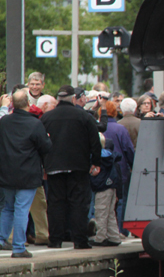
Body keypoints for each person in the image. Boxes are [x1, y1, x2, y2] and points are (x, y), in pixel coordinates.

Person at [42, 85, 102, 249]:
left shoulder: (47, 118)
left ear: (58, 99)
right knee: (78, 203)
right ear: (73, 99)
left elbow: (40, 143)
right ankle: (80, 240)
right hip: (78, 166)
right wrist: (96, 162)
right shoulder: (84, 116)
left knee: (55, 203)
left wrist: (43, 166)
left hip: (54, 167)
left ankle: (55, 240)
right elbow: (95, 143)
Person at [0, 89, 52, 257]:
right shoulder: (35, 124)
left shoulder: (4, 122)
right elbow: (46, 147)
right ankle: (18, 247)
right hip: (27, 173)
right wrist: (48, 137)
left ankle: (1, 240)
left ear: (12, 104)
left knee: (7, 208)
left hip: (6, 172)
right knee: (22, 209)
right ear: (29, 104)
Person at [103, 101, 135, 236]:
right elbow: (128, 149)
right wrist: (133, 165)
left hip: (101, 169)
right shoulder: (120, 129)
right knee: (121, 200)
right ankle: (121, 230)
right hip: (120, 169)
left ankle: (103, 229)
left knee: (102, 201)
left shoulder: (97, 127)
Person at [90, 134, 122, 247]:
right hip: (111, 186)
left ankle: (100, 237)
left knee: (101, 212)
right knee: (110, 213)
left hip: (102, 187)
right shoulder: (110, 156)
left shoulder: (96, 157)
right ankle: (114, 237)